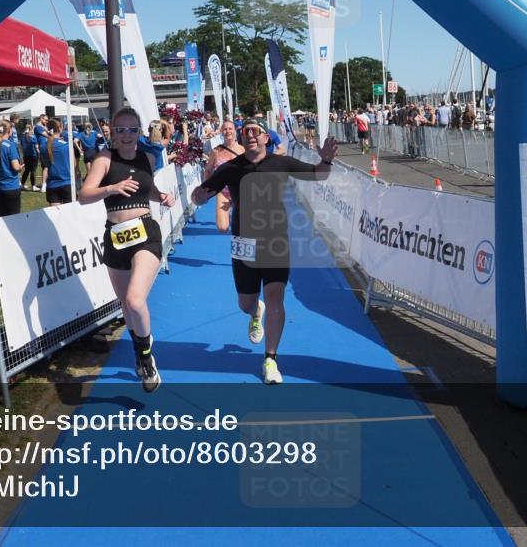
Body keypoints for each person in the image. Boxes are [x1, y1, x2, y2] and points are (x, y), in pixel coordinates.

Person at [190, 120, 338, 385]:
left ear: (266, 138)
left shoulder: (280, 163)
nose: (249, 136)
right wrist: (198, 195)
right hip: (243, 243)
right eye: (245, 132)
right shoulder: (230, 169)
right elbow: (202, 195)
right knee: (246, 303)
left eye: (255, 131)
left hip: (275, 241)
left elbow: (319, 174)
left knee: (275, 296)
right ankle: (254, 313)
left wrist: (326, 160)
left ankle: (270, 359)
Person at [80, 108, 174, 392]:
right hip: (116, 237)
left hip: (145, 232)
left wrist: (162, 196)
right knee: (125, 305)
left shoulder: (147, 157)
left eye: (132, 129)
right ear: (112, 132)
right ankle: (139, 348)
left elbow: (149, 188)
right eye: (120, 130)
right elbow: (84, 195)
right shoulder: (105, 159)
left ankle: (146, 357)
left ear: (140, 131)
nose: (127, 135)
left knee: (135, 301)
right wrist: (112, 188)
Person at [203, 119, 244, 233]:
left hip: (240, 192)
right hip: (223, 192)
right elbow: (207, 170)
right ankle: (229, 216)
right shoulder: (216, 151)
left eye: (230, 128)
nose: (228, 131)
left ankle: (234, 214)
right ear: (221, 132)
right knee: (222, 228)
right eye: (225, 129)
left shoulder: (243, 150)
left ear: (235, 131)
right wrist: (207, 188)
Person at [0, 120, 23, 218]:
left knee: (0, 218)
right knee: (14, 219)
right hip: (10, 187)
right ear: (9, 130)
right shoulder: (10, 145)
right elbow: (16, 166)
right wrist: (20, 168)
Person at [42, 119, 73, 206]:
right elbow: (74, 164)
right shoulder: (66, 145)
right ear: (60, 128)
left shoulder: (44, 146)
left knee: (54, 217)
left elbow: (46, 163)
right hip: (67, 183)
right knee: (69, 216)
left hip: (52, 185)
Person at [20, 123, 40, 191]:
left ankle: (22, 185)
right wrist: (39, 154)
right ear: (31, 129)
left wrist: (23, 155)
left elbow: (21, 147)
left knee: (26, 171)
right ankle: (33, 186)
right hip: (33, 155)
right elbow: (36, 147)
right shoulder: (33, 137)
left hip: (26, 156)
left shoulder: (23, 137)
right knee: (33, 170)